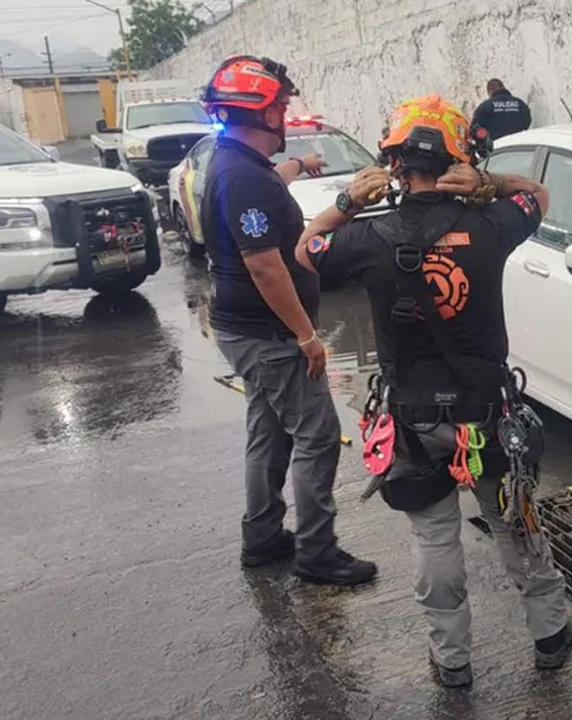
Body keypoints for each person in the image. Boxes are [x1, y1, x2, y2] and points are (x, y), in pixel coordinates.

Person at [292, 94, 572, 687]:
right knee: (513, 522)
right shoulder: (491, 224)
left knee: (435, 538)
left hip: (413, 421)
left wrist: (346, 201)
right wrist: (488, 182)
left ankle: (453, 662)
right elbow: (540, 197)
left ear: (395, 164)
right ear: (457, 159)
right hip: (487, 413)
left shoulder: (368, 238)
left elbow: (306, 248)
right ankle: (550, 633)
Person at [198, 54, 377, 586]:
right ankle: (318, 552)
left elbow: (265, 183)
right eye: (279, 106)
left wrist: (300, 167)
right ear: (262, 114)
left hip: (246, 330)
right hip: (270, 335)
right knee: (318, 436)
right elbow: (265, 266)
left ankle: (263, 535)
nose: (285, 113)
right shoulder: (241, 176)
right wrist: (306, 335)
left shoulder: (237, 163)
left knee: (268, 431)